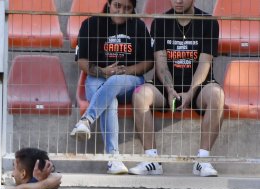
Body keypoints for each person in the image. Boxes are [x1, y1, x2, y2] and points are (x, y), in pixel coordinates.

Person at [130, 0, 224, 177]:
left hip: (199, 86)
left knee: (217, 95)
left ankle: (202, 161)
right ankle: (152, 160)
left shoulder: (209, 22)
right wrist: (170, 89)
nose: (178, 1)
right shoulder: (160, 22)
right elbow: (161, 63)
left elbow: (204, 64)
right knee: (139, 94)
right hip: (165, 87)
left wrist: (190, 92)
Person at [69, 0, 153, 175]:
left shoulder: (138, 26)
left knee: (114, 81)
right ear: (109, 4)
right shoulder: (91, 24)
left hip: (130, 80)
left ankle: (86, 121)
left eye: (128, 8)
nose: (122, 11)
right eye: (118, 6)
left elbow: (149, 61)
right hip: (97, 78)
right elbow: (82, 61)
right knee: (110, 102)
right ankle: (114, 159)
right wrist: (102, 71)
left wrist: (127, 71)